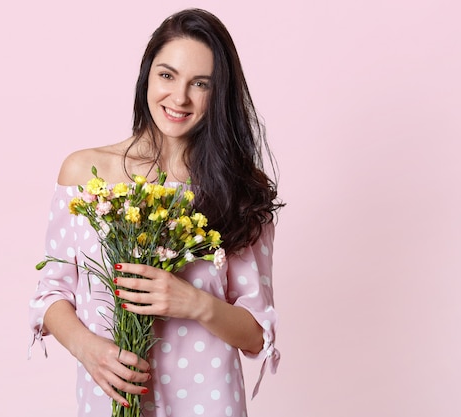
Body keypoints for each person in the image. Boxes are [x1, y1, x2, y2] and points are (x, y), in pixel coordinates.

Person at [29, 8, 282, 416]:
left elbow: (255, 335)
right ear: (147, 75)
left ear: (218, 94)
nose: (179, 98)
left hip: (208, 404)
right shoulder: (85, 175)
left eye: (200, 84)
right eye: (167, 75)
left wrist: (192, 301)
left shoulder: (236, 188)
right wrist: (89, 350)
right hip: (110, 399)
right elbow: (52, 293)